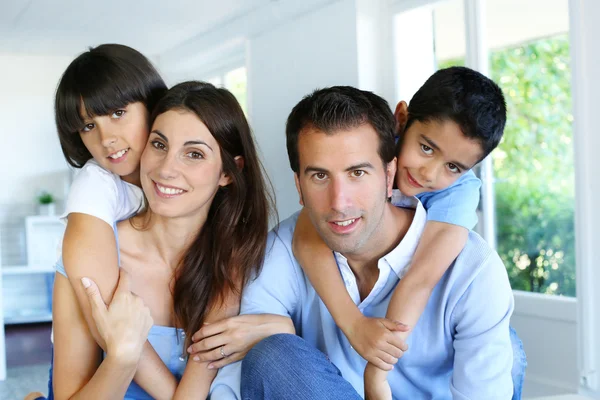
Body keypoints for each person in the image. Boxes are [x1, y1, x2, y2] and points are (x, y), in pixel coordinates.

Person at [210, 85, 520, 399]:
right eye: (319, 176)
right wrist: (282, 328)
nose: (339, 202)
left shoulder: (471, 268)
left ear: (389, 175)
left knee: (511, 352)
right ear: (299, 186)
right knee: (272, 353)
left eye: (357, 172)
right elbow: (234, 370)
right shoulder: (286, 245)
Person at [291, 67, 525, 397]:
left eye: (453, 167)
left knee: (510, 353)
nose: (428, 173)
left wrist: (377, 373)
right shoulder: (372, 151)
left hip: (424, 319)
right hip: (370, 320)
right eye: (427, 148)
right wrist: (353, 325)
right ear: (401, 119)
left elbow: (421, 277)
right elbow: (305, 235)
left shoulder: (458, 194)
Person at [52, 81, 292, 399]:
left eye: (193, 154)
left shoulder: (233, 257)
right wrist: (121, 360)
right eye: (159, 145)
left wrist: (281, 327)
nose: (166, 169)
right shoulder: (93, 259)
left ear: (228, 173)